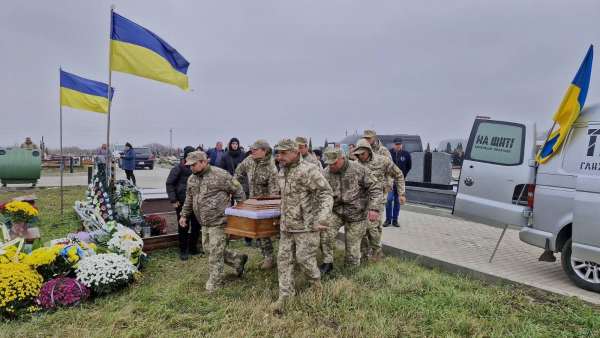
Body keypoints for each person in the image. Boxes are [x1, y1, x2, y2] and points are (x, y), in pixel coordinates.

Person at [270, 139, 333, 311]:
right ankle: (285, 295)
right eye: (278, 153)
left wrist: (323, 218)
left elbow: (326, 194)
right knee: (283, 260)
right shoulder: (281, 172)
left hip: (306, 226)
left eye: (283, 153)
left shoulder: (309, 171)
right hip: (287, 226)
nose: (280, 157)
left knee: (304, 259)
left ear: (295, 152)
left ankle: (316, 285)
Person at [179, 151, 249, 292]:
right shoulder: (192, 179)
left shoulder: (220, 175)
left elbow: (239, 191)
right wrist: (184, 215)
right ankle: (238, 260)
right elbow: (189, 199)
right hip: (205, 222)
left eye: (194, 164)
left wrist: (241, 212)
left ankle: (215, 283)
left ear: (204, 162)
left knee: (215, 254)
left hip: (220, 220)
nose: (191, 168)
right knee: (208, 250)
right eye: (189, 165)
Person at [319, 148, 383, 275]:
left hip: (357, 213)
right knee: (324, 234)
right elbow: (319, 193)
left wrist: (374, 208)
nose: (331, 165)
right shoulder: (325, 173)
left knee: (352, 245)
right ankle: (327, 262)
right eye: (329, 163)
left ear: (343, 158)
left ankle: (351, 270)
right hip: (336, 211)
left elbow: (376, 187)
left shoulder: (359, 169)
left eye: (334, 163)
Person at [353, 139, 406, 261]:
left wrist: (401, 193)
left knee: (372, 226)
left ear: (369, 151)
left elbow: (398, 175)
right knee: (362, 229)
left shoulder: (383, 161)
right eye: (358, 154)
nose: (361, 156)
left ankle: (378, 253)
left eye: (363, 153)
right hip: (361, 202)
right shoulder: (355, 164)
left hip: (378, 199)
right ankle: (364, 255)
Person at [234, 140, 280, 270]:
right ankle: (265, 253)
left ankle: (269, 257)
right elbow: (238, 174)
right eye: (252, 149)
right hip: (251, 202)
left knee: (263, 232)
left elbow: (274, 193)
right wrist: (237, 189)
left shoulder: (271, 168)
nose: (252, 151)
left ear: (264, 151)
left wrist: (270, 210)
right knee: (255, 231)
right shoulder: (249, 160)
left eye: (255, 149)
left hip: (265, 205)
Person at [166, 146, 204, 261]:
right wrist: (173, 199)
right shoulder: (178, 168)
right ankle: (183, 249)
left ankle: (193, 247)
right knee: (183, 226)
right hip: (182, 202)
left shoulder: (198, 168)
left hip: (196, 202)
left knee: (196, 225)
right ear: (186, 157)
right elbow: (169, 183)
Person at [384, 138, 412, 227]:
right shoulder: (388, 153)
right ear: (393, 144)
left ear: (402, 145)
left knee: (397, 200)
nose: (398, 145)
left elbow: (409, 166)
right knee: (388, 199)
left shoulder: (406, 154)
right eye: (396, 144)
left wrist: (403, 175)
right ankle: (388, 218)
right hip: (389, 181)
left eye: (399, 144)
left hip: (400, 182)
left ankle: (395, 219)